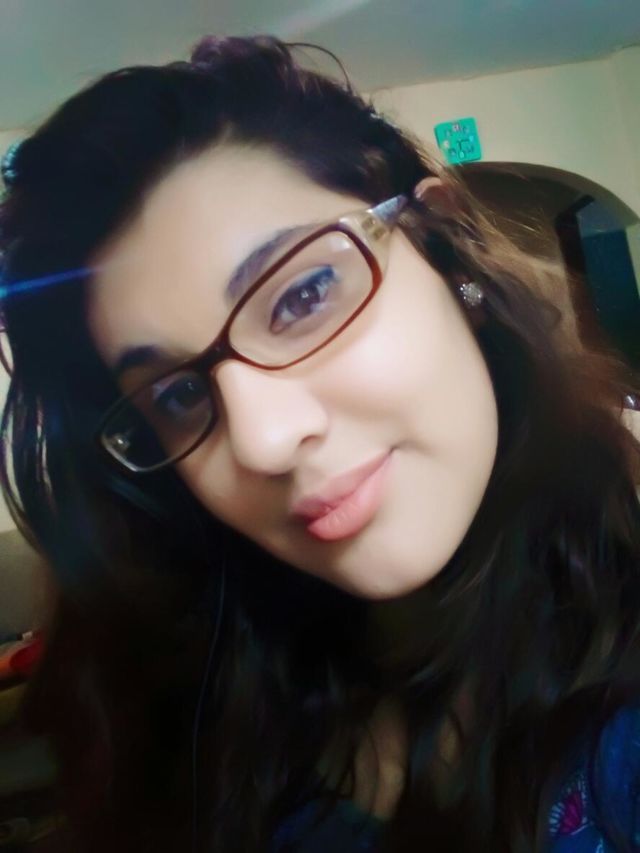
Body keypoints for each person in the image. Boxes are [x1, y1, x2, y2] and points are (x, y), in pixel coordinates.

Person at [1, 34, 639, 853]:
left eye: (303, 295)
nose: (263, 440)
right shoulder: (203, 712)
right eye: (179, 394)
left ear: (441, 246)